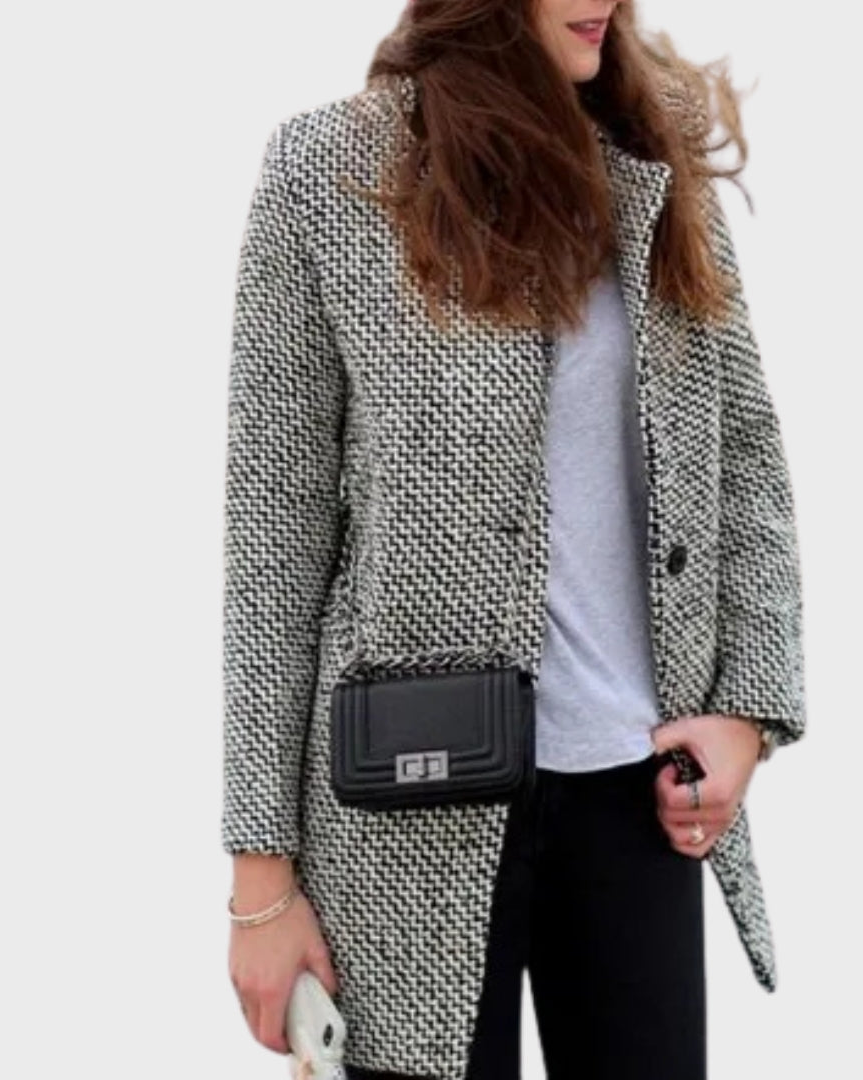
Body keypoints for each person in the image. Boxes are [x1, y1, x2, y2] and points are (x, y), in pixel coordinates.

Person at [221, 2, 806, 1079]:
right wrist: (262, 883)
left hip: (636, 792)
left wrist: (748, 713)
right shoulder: (326, 172)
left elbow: (745, 458)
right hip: (401, 814)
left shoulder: (651, 153)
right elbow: (273, 546)